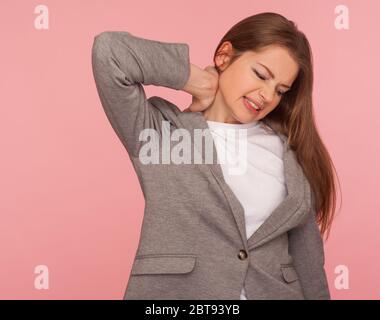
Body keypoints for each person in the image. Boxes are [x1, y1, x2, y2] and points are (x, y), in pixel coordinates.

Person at [91, 12, 340, 300]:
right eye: (261, 75)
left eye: (280, 90)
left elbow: (307, 261)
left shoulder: (289, 152)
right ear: (225, 56)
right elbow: (109, 52)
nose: (267, 95)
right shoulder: (161, 134)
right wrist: (196, 80)